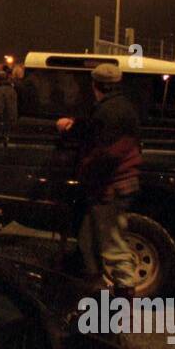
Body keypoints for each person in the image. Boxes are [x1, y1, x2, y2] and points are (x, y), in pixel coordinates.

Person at [55, 63, 142, 292]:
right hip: (119, 183)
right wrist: (73, 126)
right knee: (87, 238)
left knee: (113, 244)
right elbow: (94, 129)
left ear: (96, 85)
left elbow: (106, 154)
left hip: (111, 186)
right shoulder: (121, 106)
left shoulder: (108, 111)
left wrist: (86, 174)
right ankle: (96, 287)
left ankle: (124, 293)